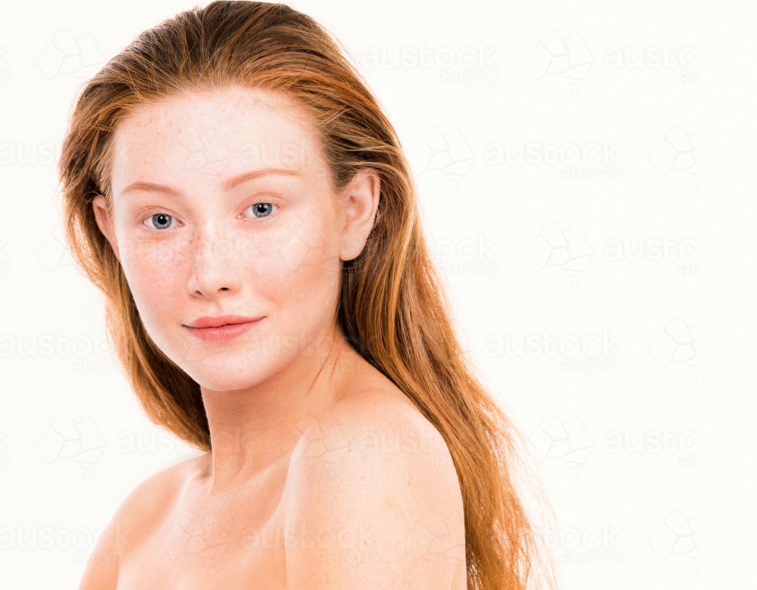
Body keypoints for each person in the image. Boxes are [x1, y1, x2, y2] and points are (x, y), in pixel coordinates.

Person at [57, 2, 559, 588]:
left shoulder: (365, 456)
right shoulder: (147, 518)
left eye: (261, 208)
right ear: (110, 231)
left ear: (355, 211)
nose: (211, 273)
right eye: (162, 220)